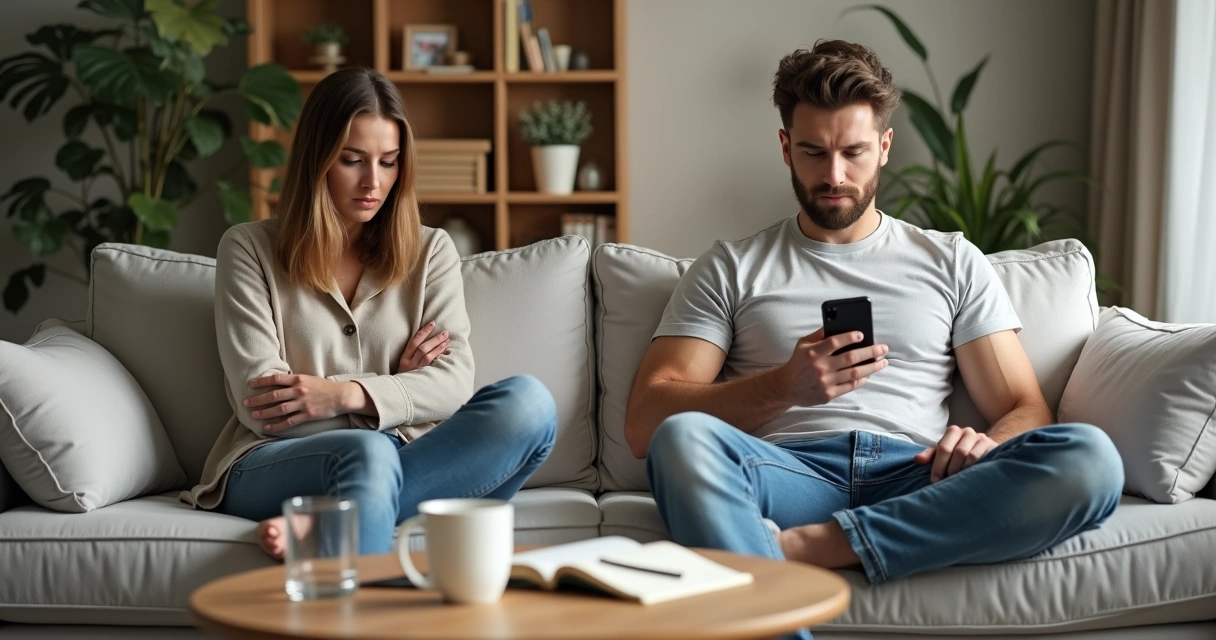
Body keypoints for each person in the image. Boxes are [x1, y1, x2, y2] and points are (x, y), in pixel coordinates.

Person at [625, 40, 1123, 587]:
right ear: (785, 148)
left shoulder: (952, 260)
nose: (834, 175)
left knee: (1091, 459)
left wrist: (986, 442)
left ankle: (807, 548)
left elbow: (1024, 407)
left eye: (853, 152)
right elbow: (647, 425)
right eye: (813, 152)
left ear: (884, 147)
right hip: (787, 472)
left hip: (918, 474)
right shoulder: (730, 267)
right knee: (681, 440)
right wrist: (785, 387)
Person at [181, 68, 556, 558]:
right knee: (371, 450)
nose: (373, 182)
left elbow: (454, 383)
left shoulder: (430, 250)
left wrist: (344, 394)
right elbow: (265, 406)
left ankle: (330, 526)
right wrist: (396, 391)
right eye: (352, 160)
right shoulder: (249, 248)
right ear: (318, 160)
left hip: (397, 456)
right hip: (271, 464)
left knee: (528, 405)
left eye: (389, 162)